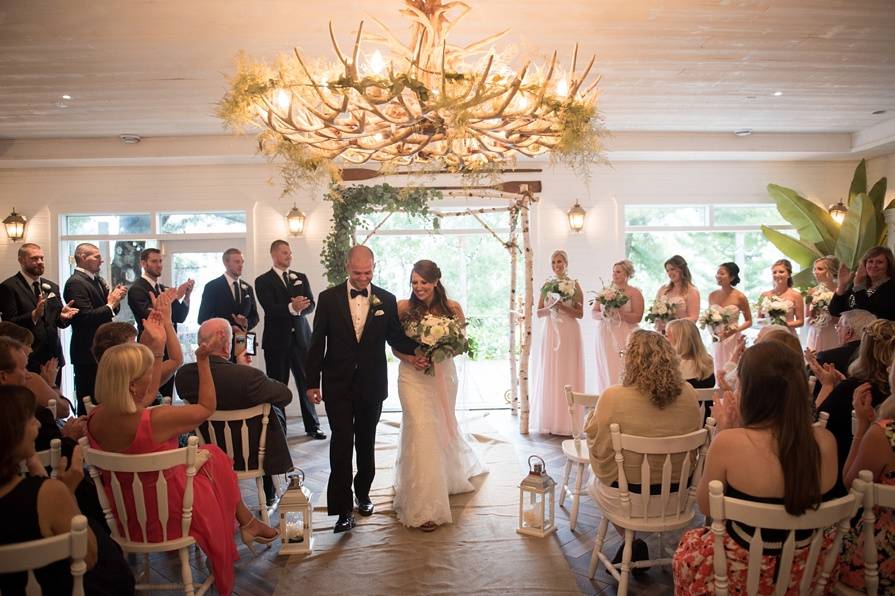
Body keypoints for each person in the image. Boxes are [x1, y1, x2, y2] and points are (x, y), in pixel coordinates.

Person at [86, 337, 278, 596]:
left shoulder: (94, 418)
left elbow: (149, 393)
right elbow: (207, 407)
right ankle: (248, 522)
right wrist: (202, 361)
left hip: (127, 518)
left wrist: (156, 346)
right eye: (148, 373)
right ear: (132, 385)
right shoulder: (156, 419)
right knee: (214, 456)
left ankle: (248, 522)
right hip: (169, 516)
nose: (154, 377)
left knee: (209, 455)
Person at [673, 342, 839, 593]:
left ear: (749, 391)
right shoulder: (826, 442)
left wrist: (725, 431)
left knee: (688, 547)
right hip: (805, 570)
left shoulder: (729, 442)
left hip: (740, 572)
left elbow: (707, 508)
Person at [306, 245, 419, 534]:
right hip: (337, 384)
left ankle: (364, 494)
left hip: (371, 384)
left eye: (367, 272)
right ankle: (343, 510)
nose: (362, 279)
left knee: (366, 442)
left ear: (374, 267)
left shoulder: (387, 299)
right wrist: (311, 382)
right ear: (347, 267)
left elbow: (396, 338)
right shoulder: (328, 298)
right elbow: (317, 343)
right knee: (341, 443)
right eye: (357, 273)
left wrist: (424, 348)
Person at [585, 329, 701, 562]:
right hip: (678, 495)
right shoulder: (689, 393)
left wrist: (590, 420)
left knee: (593, 476)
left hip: (631, 500)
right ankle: (638, 544)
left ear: (630, 360)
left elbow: (598, 447)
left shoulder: (613, 396)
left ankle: (632, 541)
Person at [392, 260, 486, 531]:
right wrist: (411, 357)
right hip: (411, 377)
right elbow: (394, 345)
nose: (418, 287)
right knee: (420, 429)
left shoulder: (452, 308)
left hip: (443, 377)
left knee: (439, 428)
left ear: (436, 282)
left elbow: (460, 346)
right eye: (414, 282)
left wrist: (437, 349)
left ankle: (441, 478)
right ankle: (424, 505)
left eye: (424, 282)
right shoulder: (403, 308)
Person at [0, 385, 113, 596]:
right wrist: (67, 492)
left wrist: (34, 463)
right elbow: (89, 557)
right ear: (12, 432)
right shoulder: (48, 494)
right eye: (31, 419)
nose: (39, 423)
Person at [175, 318, 294, 507]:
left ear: (200, 343)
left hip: (208, 450)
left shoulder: (183, 376)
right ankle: (270, 490)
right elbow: (285, 396)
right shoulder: (248, 377)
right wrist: (244, 368)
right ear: (227, 346)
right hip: (251, 454)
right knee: (273, 408)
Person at [811, 319, 895, 493]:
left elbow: (817, 425)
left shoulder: (857, 390)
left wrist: (829, 387)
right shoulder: (882, 392)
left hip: (850, 488)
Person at [254, 240, 324, 440]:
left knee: (306, 383)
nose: (289, 256)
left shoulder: (300, 277)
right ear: (274, 255)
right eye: (285, 253)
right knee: (278, 386)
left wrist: (302, 308)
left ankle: (313, 426)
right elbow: (270, 307)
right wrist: (292, 307)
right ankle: (279, 429)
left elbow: (311, 304)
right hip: (277, 342)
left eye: (290, 253)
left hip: (302, 339)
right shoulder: (262, 281)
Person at [838, 360, 895, 592]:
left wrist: (862, 425)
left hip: (880, 560)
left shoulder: (885, 433)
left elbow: (852, 485)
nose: (889, 369)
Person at [0, 242, 79, 384]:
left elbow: (57, 322)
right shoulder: (8, 287)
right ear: (21, 260)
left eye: (42, 258)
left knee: (54, 401)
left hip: (53, 357)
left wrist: (62, 317)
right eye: (34, 258)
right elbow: (8, 324)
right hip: (27, 357)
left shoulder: (52, 287)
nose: (40, 262)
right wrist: (34, 315)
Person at [63, 242, 128, 413]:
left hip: (101, 349)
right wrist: (110, 304)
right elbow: (84, 318)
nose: (102, 261)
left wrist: (115, 300)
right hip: (86, 351)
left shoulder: (97, 280)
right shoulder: (75, 283)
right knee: (89, 400)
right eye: (97, 257)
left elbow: (108, 309)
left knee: (104, 398)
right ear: (83, 258)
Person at [531, 250, 584, 435]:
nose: (556, 265)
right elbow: (538, 312)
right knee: (552, 370)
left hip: (569, 331)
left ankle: (569, 421)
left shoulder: (574, 284)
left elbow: (580, 313)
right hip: (551, 331)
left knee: (567, 370)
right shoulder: (547, 284)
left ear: (566, 263)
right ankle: (552, 420)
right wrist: (552, 307)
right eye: (553, 262)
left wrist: (562, 307)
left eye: (559, 261)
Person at [126, 248, 192, 396]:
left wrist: (186, 297)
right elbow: (152, 317)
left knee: (167, 391)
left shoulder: (162, 289)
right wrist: (174, 296)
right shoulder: (137, 289)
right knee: (152, 390)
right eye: (154, 261)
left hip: (169, 344)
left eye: (160, 261)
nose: (159, 265)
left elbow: (179, 317)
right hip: (151, 344)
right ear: (144, 263)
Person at [592, 260, 643, 394]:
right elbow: (594, 312)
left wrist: (620, 313)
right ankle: (607, 396)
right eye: (613, 271)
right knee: (606, 364)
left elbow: (638, 316)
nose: (615, 274)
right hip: (605, 333)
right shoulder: (605, 291)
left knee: (622, 365)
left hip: (625, 334)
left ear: (627, 274)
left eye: (618, 271)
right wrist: (603, 314)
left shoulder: (634, 293)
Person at [0, 323, 73, 418]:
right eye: (28, 345)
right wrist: (51, 384)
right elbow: (64, 410)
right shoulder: (31, 379)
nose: (31, 350)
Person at [197, 248, 259, 342]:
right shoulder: (212, 287)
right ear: (226, 263)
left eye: (242, 262)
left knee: (246, 357)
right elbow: (202, 318)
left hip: (244, 341)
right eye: (237, 262)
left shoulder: (248, 288)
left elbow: (255, 316)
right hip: (220, 342)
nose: (241, 265)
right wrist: (228, 328)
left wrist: (246, 323)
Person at [706, 262, 752, 367]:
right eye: (717, 273)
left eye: (722, 274)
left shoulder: (740, 297)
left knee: (732, 367)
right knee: (718, 365)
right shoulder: (712, 295)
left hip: (733, 338)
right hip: (717, 338)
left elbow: (749, 321)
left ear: (732, 277)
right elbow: (709, 318)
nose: (718, 276)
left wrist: (734, 330)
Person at [830, 246, 895, 321]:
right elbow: (835, 312)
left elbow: (868, 315)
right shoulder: (860, 283)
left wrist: (858, 286)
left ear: (888, 265)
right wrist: (842, 286)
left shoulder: (891, 287)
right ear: (864, 264)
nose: (874, 266)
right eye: (870, 261)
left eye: (879, 262)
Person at [813, 309, 876, 376]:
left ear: (849, 332)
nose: (837, 330)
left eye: (838, 326)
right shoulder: (878, 355)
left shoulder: (826, 358)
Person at [653, 255, 700, 332]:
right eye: (667, 270)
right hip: (662, 331)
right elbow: (655, 309)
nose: (670, 273)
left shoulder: (692, 291)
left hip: (681, 333)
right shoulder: (663, 289)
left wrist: (673, 324)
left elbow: (694, 318)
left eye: (672, 269)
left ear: (682, 269)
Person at [758, 259, 805, 333]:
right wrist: (769, 323)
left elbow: (800, 321)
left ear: (789, 274)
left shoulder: (796, 295)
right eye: (774, 272)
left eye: (781, 272)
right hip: (768, 333)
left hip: (787, 334)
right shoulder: (764, 295)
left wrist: (783, 324)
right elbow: (759, 319)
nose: (777, 275)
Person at [666, 319, 715, 388]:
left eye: (667, 335)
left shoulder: (669, 365)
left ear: (680, 340)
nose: (665, 339)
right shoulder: (708, 361)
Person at [805, 256, 840, 352]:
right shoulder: (811, 292)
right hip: (816, 331)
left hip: (834, 331)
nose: (815, 272)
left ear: (831, 271)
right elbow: (808, 315)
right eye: (815, 269)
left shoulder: (840, 290)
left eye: (820, 269)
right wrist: (813, 318)